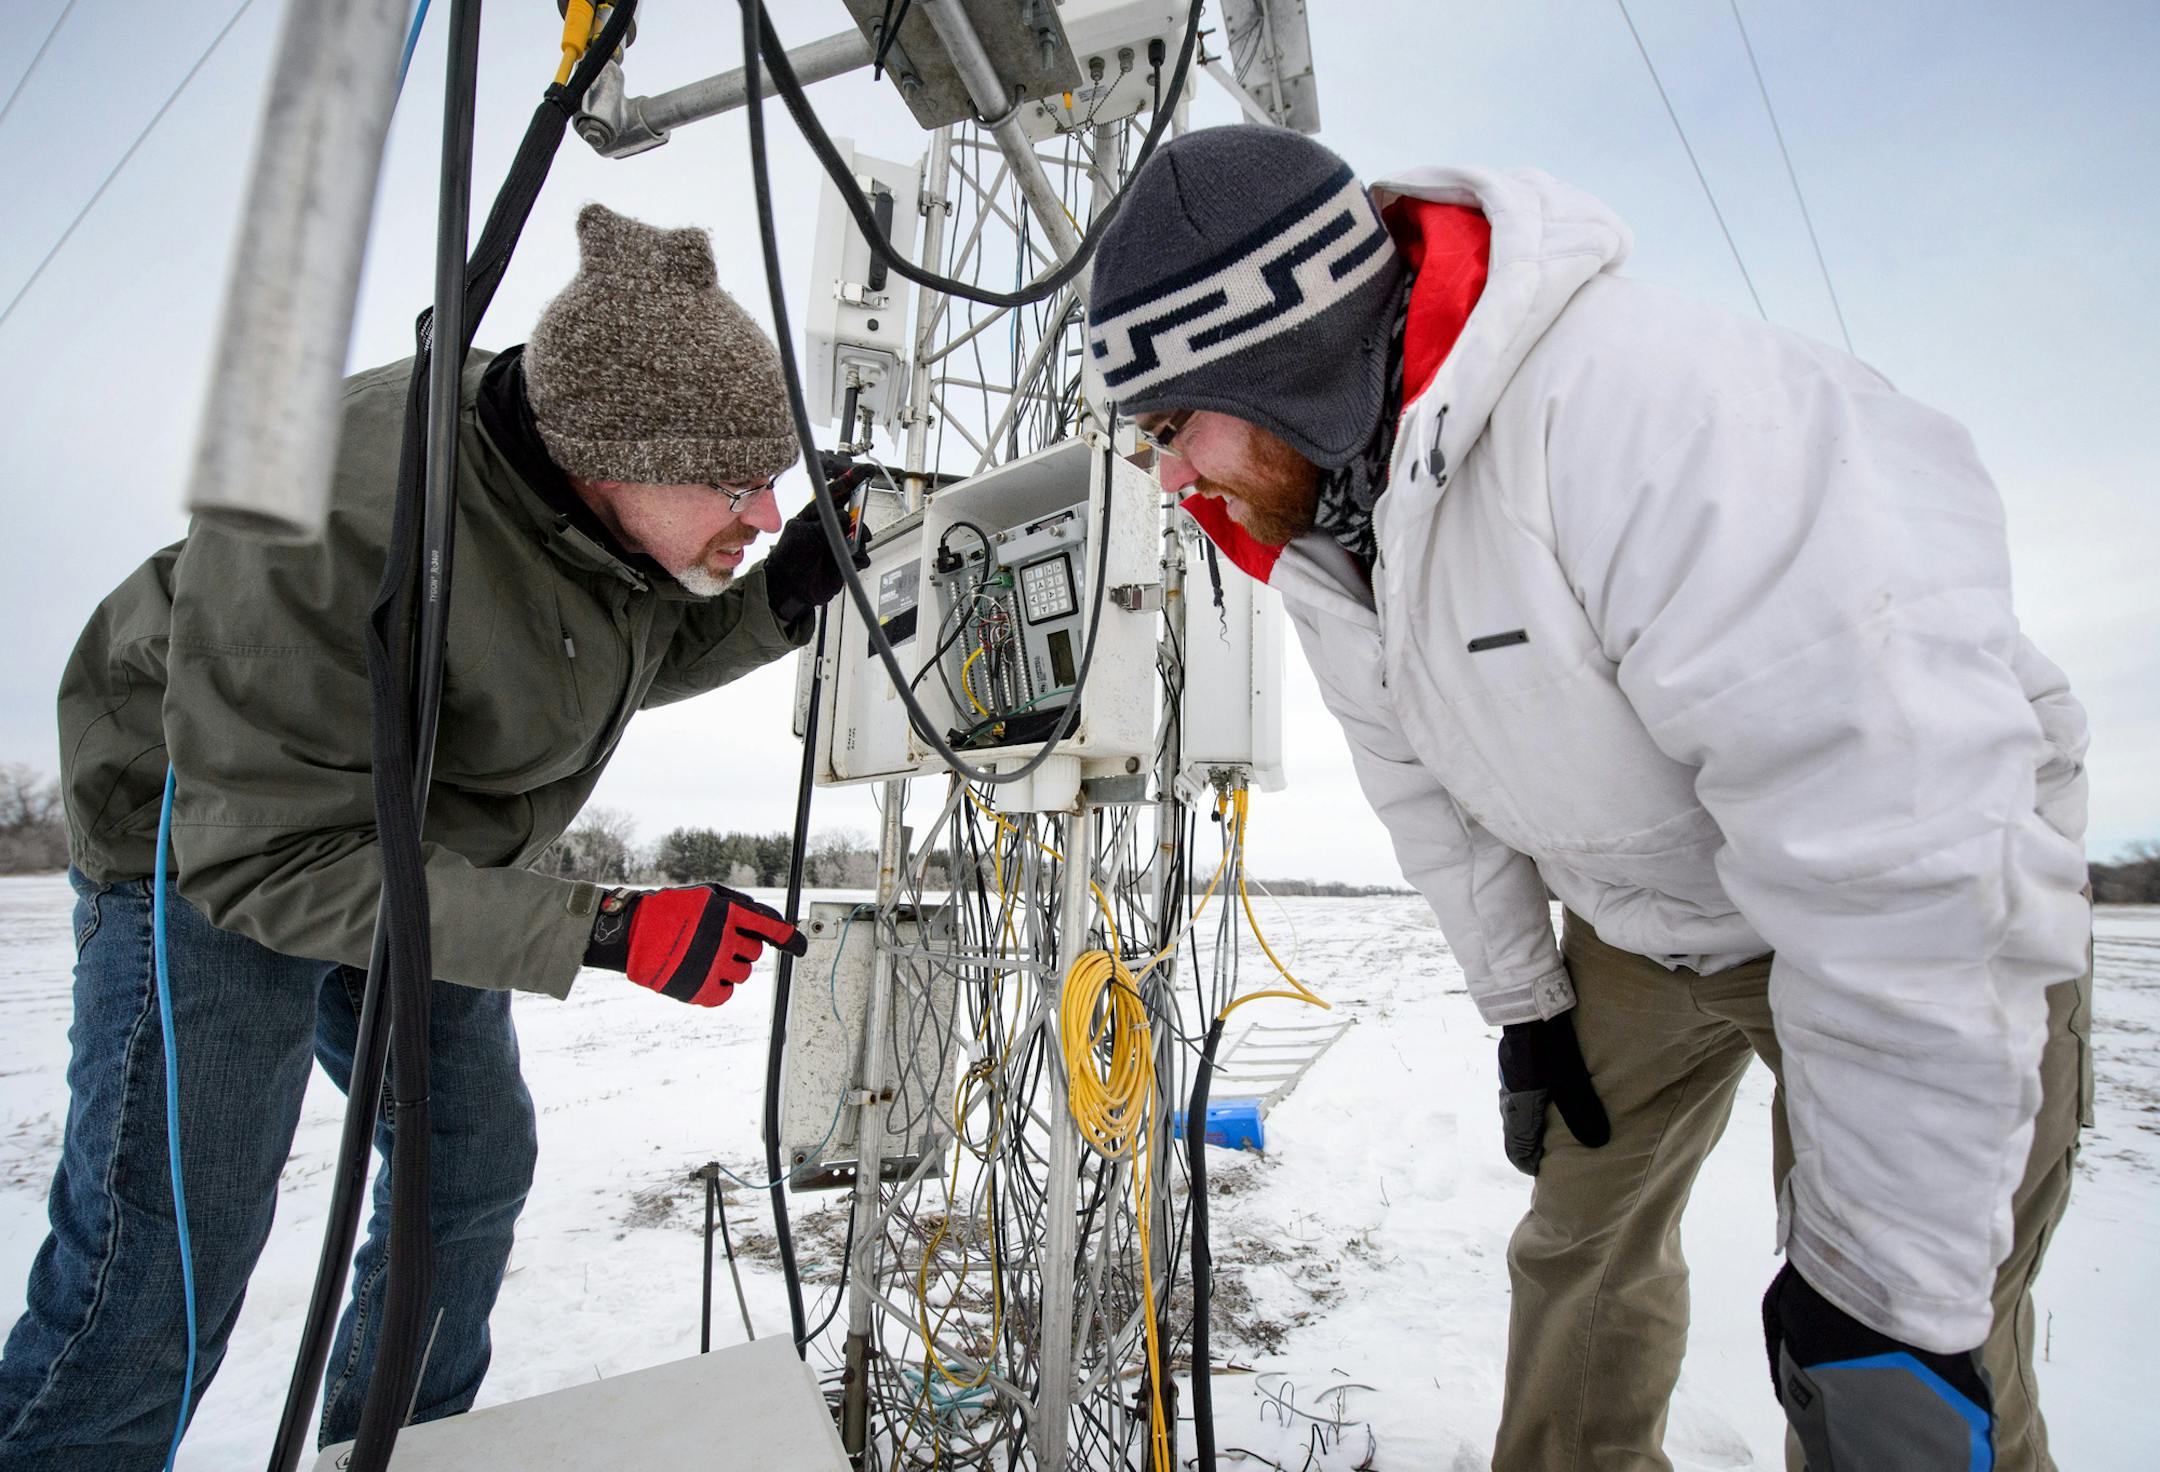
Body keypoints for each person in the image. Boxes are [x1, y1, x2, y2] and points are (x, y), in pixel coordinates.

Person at [1086, 127, 2091, 1471]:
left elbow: (1904, 834)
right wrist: (1525, 1008)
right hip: (1641, 921)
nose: (1169, 475)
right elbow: (1428, 801)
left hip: (1906, 921)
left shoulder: (1644, 411)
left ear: (1289, 362)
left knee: (1907, 1366)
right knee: (1577, 1248)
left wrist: (1892, 1301)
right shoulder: (1330, 540)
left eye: (1172, 424)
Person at [0, 204, 848, 1468]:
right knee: (172, 1250)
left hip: (420, 843)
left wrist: (779, 594)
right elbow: (264, 858)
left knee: (468, 1170)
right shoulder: (326, 509)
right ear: (609, 459)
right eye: (738, 487)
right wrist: (606, 926)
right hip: (215, 841)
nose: (767, 509)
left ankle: (392, 1451)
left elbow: (599, 651)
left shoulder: (594, 503)